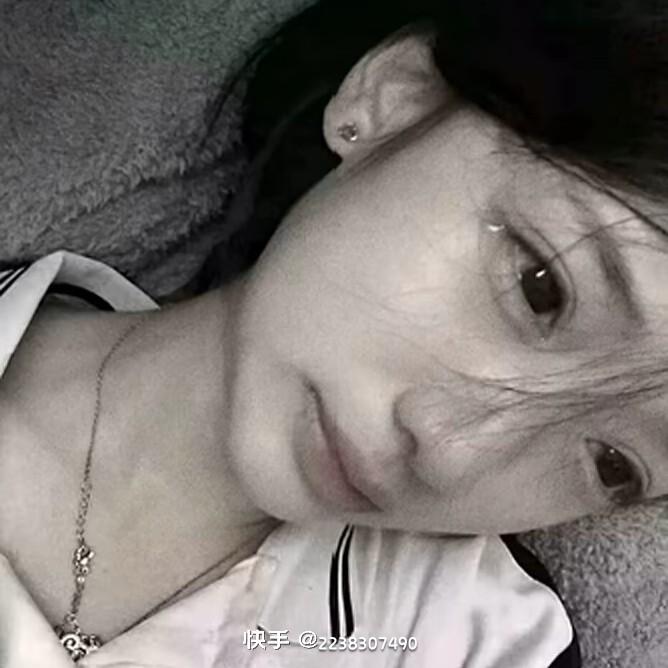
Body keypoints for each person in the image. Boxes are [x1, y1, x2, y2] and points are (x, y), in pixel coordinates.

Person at [0, 0, 665, 665]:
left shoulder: (486, 643)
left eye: (614, 466)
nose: (451, 452)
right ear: (395, 97)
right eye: (540, 287)